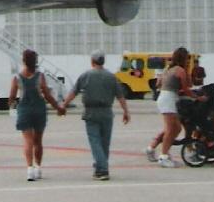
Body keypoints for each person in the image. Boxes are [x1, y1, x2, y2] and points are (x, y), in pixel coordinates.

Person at [60, 50, 130, 180]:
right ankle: (100, 167)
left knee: (95, 141)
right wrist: (126, 111)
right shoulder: (111, 77)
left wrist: (63, 106)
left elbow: (73, 92)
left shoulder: (86, 75)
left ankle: (102, 169)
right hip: (107, 112)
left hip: (91, 112)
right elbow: (120, 96)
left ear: (92, 61)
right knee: (105, 143)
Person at [8, 49, 65, 181]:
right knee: (38, 141)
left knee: (28, 140)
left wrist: (11, 104)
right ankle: (38, 167)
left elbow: (11, 96)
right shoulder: (40, 77)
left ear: (23, 61)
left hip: (24, 110)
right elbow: (47, 95)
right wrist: (58, 108)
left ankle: (29, 169)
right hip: (39, 110)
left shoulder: (17, 77)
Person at [145, 47, 206, 168]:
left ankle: (162, 152)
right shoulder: (180, 70)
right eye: (187, 58)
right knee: (171, 129)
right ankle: (163, 156)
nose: (188, 61)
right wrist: (198, 98)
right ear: (183, 58)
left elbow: (158, 84)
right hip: (168, 99)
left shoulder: (170, 69)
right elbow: (187, 88)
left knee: (176, 128)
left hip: (166, 98)